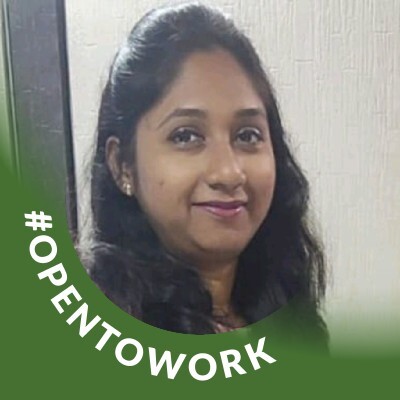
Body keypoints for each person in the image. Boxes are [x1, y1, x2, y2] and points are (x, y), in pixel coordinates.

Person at [83, 2, 327, 341]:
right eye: (186, 136)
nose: (228, 173)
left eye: (247, 136)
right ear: (122, 165)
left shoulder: (289, 316)